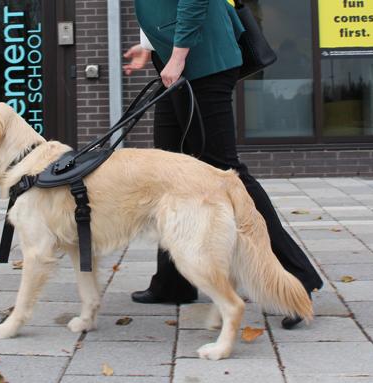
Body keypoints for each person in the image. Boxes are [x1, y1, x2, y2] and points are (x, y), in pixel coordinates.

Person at [123, 0, 323, 329]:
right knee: (170, 170)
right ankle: (173, 282)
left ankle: (296, 278)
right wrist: (150, 47)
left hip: (202, 62)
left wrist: (177, 55)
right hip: (177, 59)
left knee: (226, 173)